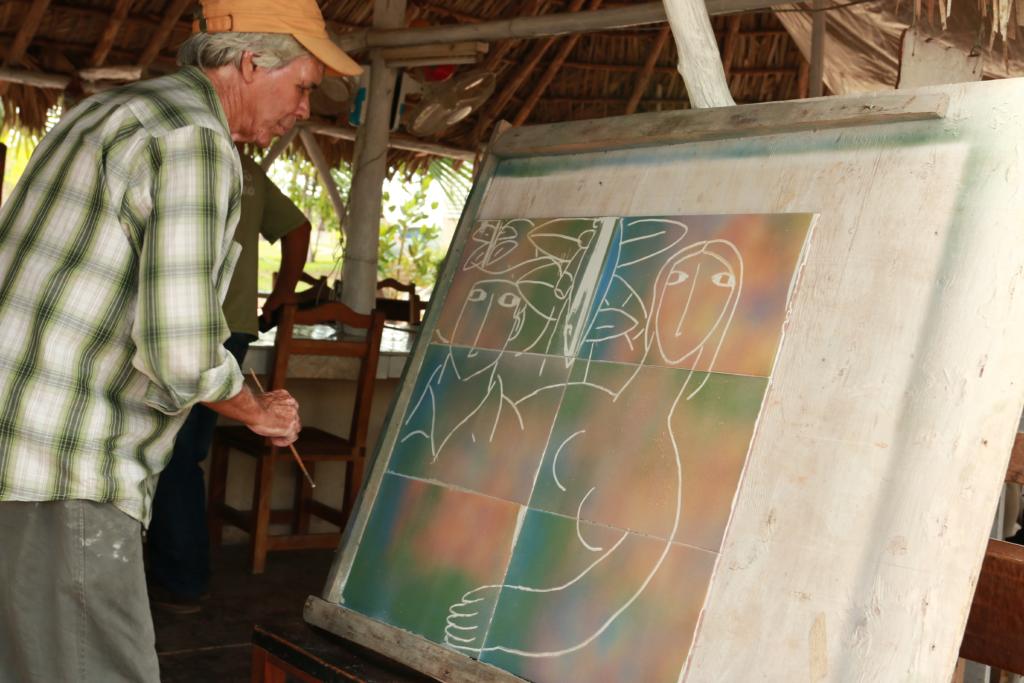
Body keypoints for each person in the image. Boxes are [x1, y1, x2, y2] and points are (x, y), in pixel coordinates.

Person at [0, 0, 361, 680]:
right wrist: (258, 410)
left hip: (20, 448)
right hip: (68, 461)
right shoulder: (194, 141)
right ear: (251, 64)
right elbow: (181, 351)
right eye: (303, 86)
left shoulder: (108, 111)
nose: (304, 109)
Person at [146, 151, 311, 614]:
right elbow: (298, 228)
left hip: (192, 324)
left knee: (174, 453)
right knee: (181, 453)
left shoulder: (190, 155)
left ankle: (182, 581)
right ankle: (178, 576)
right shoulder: (247, 168)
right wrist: (281, 295)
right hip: (232, 325)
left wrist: (281, 295)